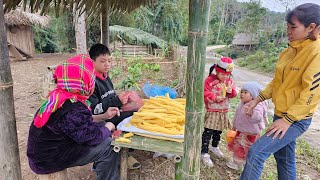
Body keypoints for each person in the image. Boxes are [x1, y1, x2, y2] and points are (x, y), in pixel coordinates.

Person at [240, 3, 320, 179]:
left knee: (256, 153)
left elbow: (312, 94)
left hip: (295, 119)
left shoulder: (316, 53)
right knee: (284, 158)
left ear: (311, 27)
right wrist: (257, 99)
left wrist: (288, 120)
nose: (288, 31)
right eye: (287, 26)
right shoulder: (289, 51)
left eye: (293, 27)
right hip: (281, 114)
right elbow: (277, 82)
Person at [27, 54, 120, 180]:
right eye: (90, 77)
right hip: (47, 160)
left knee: (100, 125)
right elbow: (93, 138)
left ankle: (98, 165)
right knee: (109, 146)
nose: (92, 81)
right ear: (83, 81)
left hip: (43, 152)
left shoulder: (61, 96)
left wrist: (104, 116)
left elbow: (78, 122)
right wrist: (110, 126)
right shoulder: (73, 107)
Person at [88, 43, 141, 170]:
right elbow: (95, 109)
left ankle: (126, 150)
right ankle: (114, 155)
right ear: (92, 62)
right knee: (130, 118)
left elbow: (110, 97)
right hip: (101, 119)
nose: (107, 64)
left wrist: (122, 100)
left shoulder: (106, 77)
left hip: (112, 113)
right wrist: (117, 101)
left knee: (135, 113)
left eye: (109, 61)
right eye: (102, 61)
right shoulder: (91, 82)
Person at [201, 57, 237, 167]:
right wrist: (214, 97)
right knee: (208, 131)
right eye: (223, 74)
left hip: (224, 111)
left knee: (218, 131)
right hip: (213, 110)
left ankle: (215, 146)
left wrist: (231, 92)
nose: (225, 77)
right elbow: (204, 92)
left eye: (227, 74)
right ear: (217, 71)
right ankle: (204, 152)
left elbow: (234, 94)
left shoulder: (229, 81)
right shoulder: (209, 81)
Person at [226, 82, 268, 170]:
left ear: (253, 95)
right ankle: (237, 162)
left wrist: (251, 113)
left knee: (247, 149)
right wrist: (234, 126)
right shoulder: (242, 103)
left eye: (246, 92)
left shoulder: (257, 105)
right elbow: (237, 115)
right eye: (241, 92)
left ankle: (244, 163)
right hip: (241, 131)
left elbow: (257, 118)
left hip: (250, 134)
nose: (242, 94)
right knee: (238, 146)